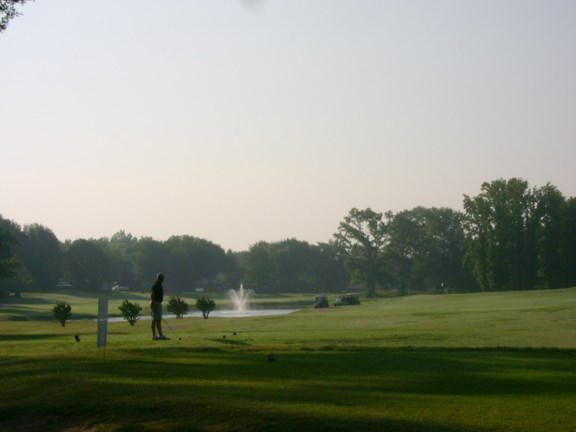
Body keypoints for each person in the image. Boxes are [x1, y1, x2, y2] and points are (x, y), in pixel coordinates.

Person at [150, 273, 169, 340]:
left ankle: (157, 335)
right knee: (156, 320)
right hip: (156, 303)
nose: (163, 279)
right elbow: (152, 293)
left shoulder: (157, 284)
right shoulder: (157, 285)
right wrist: (152, 302)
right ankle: (156, 335)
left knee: (156, 320)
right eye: (162, 278)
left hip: (157, 303)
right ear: (161, 278)